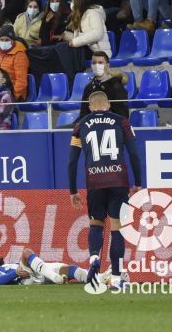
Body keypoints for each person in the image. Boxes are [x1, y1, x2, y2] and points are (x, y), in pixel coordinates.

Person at [68, 92, 142, 291]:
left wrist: (73, 190)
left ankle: (94, 258)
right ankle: (117, 278)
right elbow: (134, 153)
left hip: (95, 182)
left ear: (91, 107)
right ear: (108, 105)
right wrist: (139, 183)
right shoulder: (122, 121)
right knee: (117, 227)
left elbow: (72, 161)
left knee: (96, 224)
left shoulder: (80, 125)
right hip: (119, 181)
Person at [0, 247, 87, 285]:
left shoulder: (5, 266)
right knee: (26, 253)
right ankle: (53, 276)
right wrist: (15, 273)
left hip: (38, 272)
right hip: (26, 277)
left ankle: (98, 279)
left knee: (72, 270)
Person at [79, 52, 130, 121]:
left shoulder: (116, 86)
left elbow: (122, 115)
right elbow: (83, 114)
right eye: (94, 63)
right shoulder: (89, 87)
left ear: (107, 65)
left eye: (100, 63)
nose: (97, 65)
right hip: (89, 124)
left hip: (109, 124)